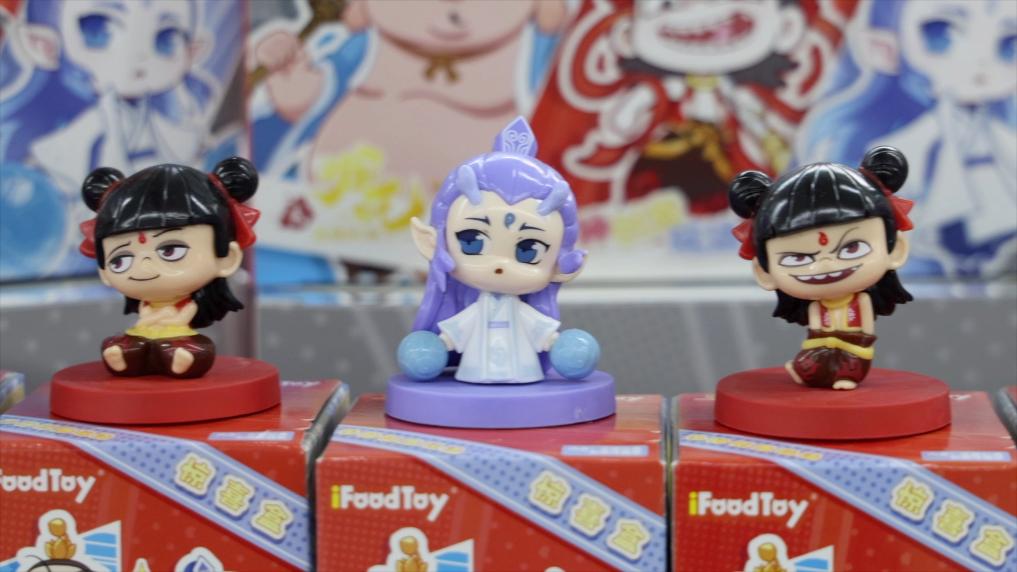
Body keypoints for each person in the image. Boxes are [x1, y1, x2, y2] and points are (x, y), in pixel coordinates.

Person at [730, 146, 913, 390]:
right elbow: (815, 329)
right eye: (798, 258)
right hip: (824, 341)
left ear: (896, 250)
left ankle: (846, 376)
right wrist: (818, 345)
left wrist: (859, 342)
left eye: (852, 248)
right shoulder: (817, 307)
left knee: (850, 363)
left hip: (855, 343)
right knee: (811, 363)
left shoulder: (860, 302)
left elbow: (866, 328)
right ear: (764, 273)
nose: (826, 264)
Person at [79, 157, 259, 378]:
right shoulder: (145, 306)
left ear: (227, 258)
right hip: (144, 331)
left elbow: (186, 314)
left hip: (177, 332)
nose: (144, 266)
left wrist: (168, 320)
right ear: (104, 271)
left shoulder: (187, 306)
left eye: (170, 251)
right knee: (126, 343)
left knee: (193, 348)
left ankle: (181, 358)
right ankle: (126, 357)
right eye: (121, 259)